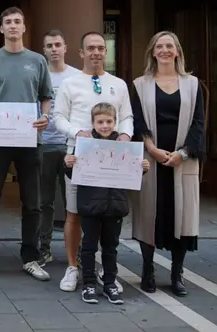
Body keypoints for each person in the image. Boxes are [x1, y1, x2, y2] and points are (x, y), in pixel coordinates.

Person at [0, 7, 53, 281]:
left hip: (29, 138)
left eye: (17, 22)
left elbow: (46, 96)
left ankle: (31, 256)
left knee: (32, 203)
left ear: (24, 27)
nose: (13, 26)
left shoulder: (37, 60)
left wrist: (45, 116)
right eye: (8, 22)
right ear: (1, 29)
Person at [53, 31, 133, 292]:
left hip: (111, 158)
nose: (96, 52)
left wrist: (124, 134)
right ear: (81, 52)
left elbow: (127, 116)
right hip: (80, 156)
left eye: (100, 47)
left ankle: (104, 269)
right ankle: (73, 266)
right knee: (75, 213)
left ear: (105, 52)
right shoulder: (70, 83)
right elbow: (59, 117)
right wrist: (77, 133)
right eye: (91, 48)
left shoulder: (118, 84)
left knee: (107, 214)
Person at [131, 31, 205, 297]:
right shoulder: (140, 84)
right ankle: (148, 269)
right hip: (152, 160)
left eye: (169, 46)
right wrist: (151, 148)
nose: (164, 50)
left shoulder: (193, 84)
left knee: (181, 216)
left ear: (177, 51)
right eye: (159, 46)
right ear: (153, 52)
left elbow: (198, 125)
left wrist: (182, 154)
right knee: (149, 214)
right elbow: (137, 121)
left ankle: (177, 273)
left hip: (181, 162)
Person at [63, 103, 150, 305]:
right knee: (88, 247)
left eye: (109, 121)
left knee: (111, 247)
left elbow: (131, 172)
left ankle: (110, 282)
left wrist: (142, 168)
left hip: (115, 206)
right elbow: (74, 174)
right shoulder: (84, 144)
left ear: (115, 122)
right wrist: (69, 164)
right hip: (90, 206)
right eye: (100, 121)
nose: (104, 125)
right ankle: (89, 284)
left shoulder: (124, 146)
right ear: (92, 123)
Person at [38, 29, 81, 266]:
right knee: (44, 202)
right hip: (43, 145)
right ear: (43, 50)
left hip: (70, 147)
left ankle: (76, 251)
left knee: (73, 203)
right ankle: (43, 248)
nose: (54, 49)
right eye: (49, 45)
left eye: (57, 44)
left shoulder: (76, 77)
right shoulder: (37, 74)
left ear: (65, 48)